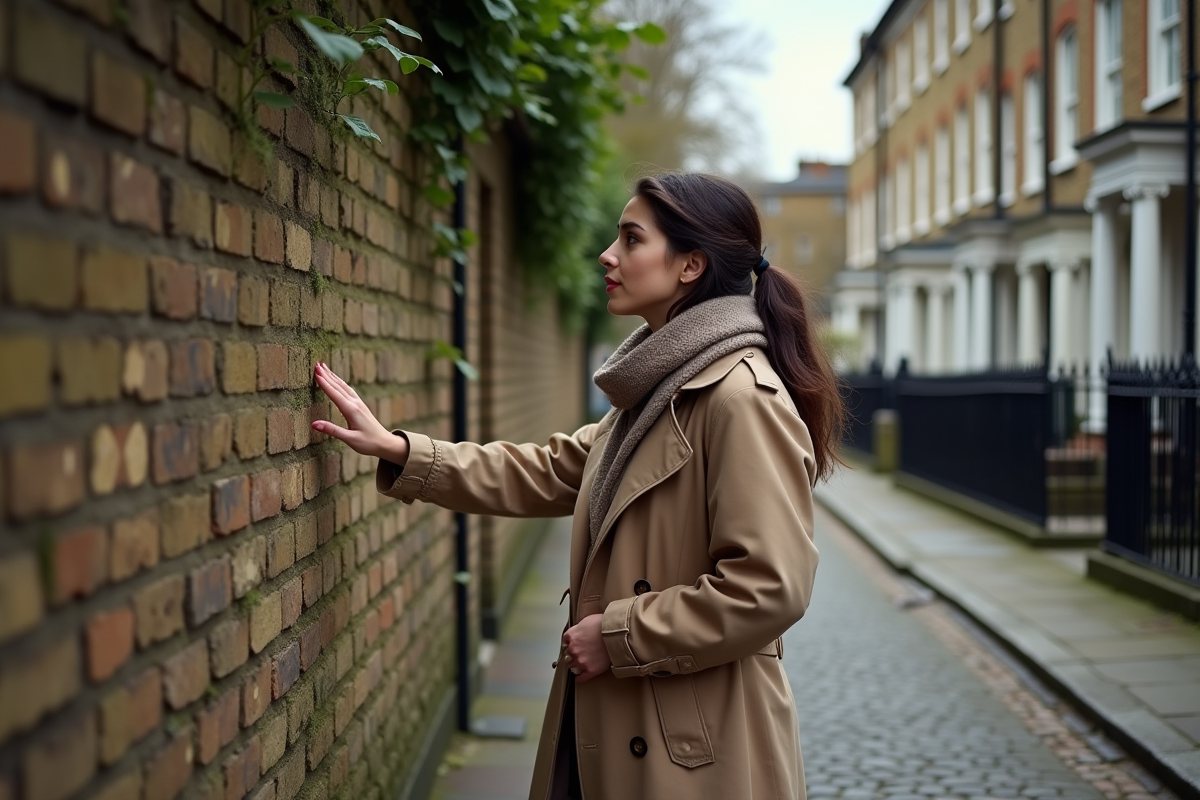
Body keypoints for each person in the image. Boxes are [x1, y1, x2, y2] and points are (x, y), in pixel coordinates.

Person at [311, 172, 845, 800]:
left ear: (690, 265)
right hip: (621, 716)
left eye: (630, 238)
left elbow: (771, 588)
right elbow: (547, 468)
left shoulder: (737, 397)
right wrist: (403, 451)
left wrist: (619, 634)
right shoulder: (658, 388)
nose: (608, 255)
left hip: (694, 750)